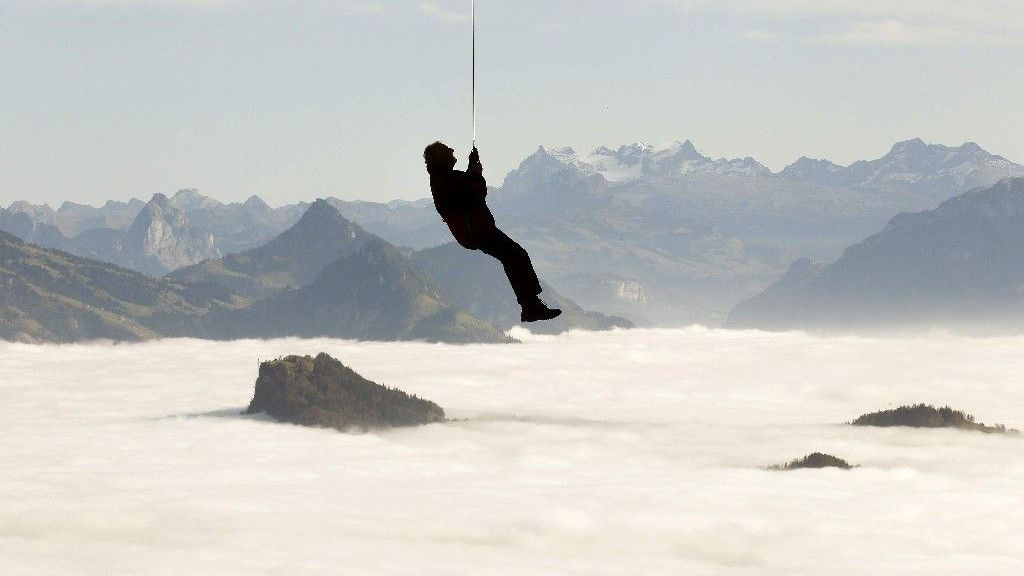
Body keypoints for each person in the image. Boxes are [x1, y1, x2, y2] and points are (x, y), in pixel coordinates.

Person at [423, 141, 561, 322]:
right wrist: (476, 173)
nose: (452, 149)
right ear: (441, 158)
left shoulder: (443, 179)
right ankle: (531, 307)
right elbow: (476, 191)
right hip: (477, 231)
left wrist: (472, 170)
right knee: (516, 256)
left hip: (475, 231)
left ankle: (531, 306)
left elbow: (464, 188)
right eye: (446, 149)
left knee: (514, 257)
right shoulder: (446, 180)